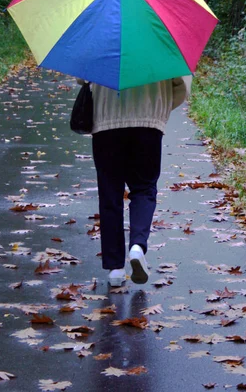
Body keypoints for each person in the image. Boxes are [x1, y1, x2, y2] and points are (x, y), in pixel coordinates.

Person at [82, 76, 192, 287]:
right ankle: (137, 247)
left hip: (107, 120)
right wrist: (162, 108)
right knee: (144, 187)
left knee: (109, 192)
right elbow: (181, 84)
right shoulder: (165, 42)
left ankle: (115, 269)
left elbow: (83, 76)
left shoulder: (103, 41)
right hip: (148, 120)